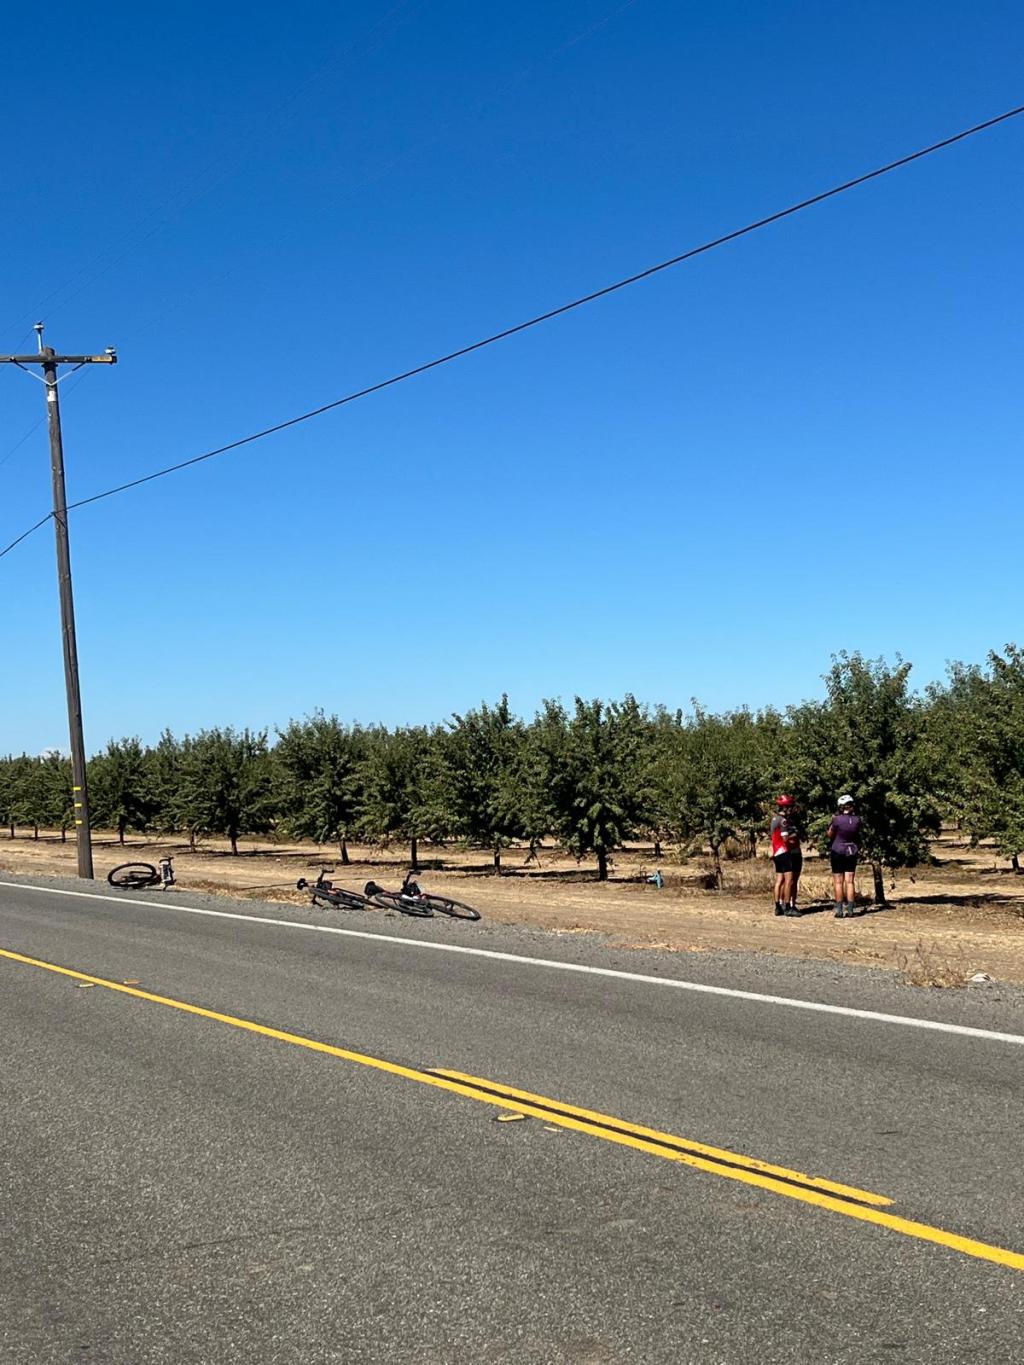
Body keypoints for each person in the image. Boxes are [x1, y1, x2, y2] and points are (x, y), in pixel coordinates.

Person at [827, 794, 862, 918]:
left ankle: (839, 910)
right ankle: (851, 910)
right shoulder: (857, 820)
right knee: (850, 881)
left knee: (838, 882)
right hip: (851, 850)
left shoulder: (836, 819)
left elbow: (830, 834)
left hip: (838, 850)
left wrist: (831, 823)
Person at [770, 795, 801, 916]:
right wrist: (794, 835)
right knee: (789, 880)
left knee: (779, 880)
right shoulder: (783, 820)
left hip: (776, 852)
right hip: (784, 851)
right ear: (786, 807)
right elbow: (785, 838)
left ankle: (778, 906)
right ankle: (788, 907)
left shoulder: (774, 819)